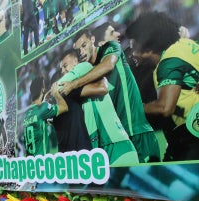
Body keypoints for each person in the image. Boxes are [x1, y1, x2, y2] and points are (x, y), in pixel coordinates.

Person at [59, 29, 160, 163]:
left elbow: (108, 65)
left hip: (136, 130)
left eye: (84, 46)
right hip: (119, 136)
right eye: (78, 51)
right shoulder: (87, 70)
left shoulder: (110, 47)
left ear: (92, 40)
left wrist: (73, 84)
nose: (82, 52)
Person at [126, 11, 199, 161]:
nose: (132, 54)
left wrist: (133, 109)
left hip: (191, 133)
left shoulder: (168, 63)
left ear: (149, 48)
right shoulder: (186, 43)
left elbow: (165, 107)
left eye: (134, 48)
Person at [57, 49, 139, 165]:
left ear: (76, 62)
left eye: (65, 66)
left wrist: (51, 96)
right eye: (61, 69)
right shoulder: (80, 88)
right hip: (104, 149)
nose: (63, 71)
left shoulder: (82, 67)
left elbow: (56, 88)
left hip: (114, 146)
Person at [23, 76, 68, 156]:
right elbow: (64, 107)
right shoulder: (43, 107)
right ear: (43, 89)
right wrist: (55, 93)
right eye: (44, 86)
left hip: (30, 160)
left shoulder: (26, 113)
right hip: (41, 160)